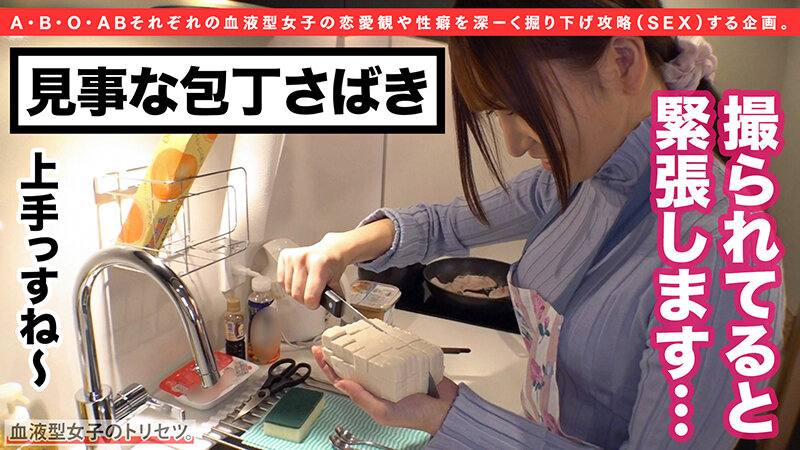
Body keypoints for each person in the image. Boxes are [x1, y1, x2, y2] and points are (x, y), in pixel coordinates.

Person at [277, 1, 785, 448]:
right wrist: (342, 246)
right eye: (498, 114)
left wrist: (451, 418)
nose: (514, 144)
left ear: (623, 62)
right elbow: (446, 223)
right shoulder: (584, 177)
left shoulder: (718, 252)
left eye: (519, 110)